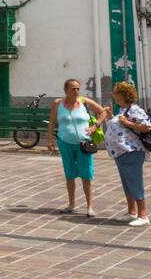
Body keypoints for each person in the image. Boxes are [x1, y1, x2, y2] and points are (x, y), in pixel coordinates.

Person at [45, 78, 107, 217]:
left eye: (78, 88)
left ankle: (90, 206)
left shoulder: (84, 102)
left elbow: (103, 112)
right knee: (70, 174)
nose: (76, 91)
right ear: (66, 90)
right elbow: (52, 122)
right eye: (73, 88)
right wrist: (49, 140)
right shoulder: (57, 103)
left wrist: (95, 125)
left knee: (86, 174)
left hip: (83, 144)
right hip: (65, 143)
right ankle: (71, 204)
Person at [96, 80, 151, 227]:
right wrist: (111, 116)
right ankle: (131, 212)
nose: (113, 95)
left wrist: (127, 123)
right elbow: (120, 128)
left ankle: (143, 215)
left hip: (131, 152)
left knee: (135, 182)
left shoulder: (134, 109)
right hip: (121, 153)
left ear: (123, 94)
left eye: (115, 93)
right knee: (127, 183)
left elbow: (147, 126)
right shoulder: (123, 110)